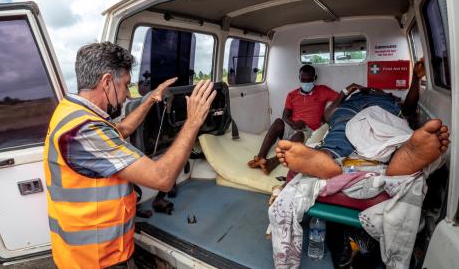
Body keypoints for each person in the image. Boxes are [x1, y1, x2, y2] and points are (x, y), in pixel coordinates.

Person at [43, 42, 216, 269]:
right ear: (106, 82)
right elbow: (162, 178)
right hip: (94, 259)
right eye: (125, 85)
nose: (126, 95)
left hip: (87, 252)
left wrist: (151, 99)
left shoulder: (73, 113)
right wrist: (193, 121)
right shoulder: (84, 131)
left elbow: (121, 130)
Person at [275, 60, 450, 178]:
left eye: (375, 89)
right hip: (349, 109)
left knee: (388, 127)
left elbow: (408, 109)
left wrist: (415, 78)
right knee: (340, 127)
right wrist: (347, 92)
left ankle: (404, 154)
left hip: (382, 110)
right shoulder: (352, 97)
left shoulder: (390, 97)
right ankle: (322, 157)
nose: (371, 90)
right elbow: (328, 117)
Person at [247, 64, 346, 175]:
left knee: (298, 134)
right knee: (278, 122)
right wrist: (293, 124)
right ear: (299, 78)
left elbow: (340, 99)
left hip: (307, 130)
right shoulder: (292, 95)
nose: (306, 83)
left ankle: (273, 162)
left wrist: (348, 90)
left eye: (309, 80)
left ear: (315, 78)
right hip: (292, 126)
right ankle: (260, 157)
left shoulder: (323, 90)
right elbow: (285, 116)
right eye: (303, 80)